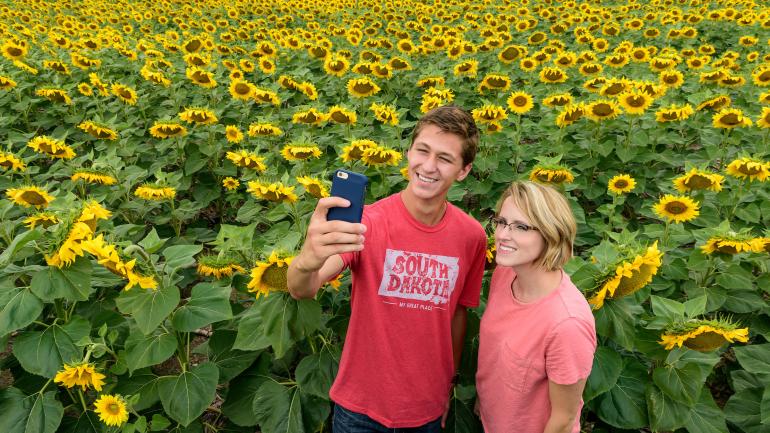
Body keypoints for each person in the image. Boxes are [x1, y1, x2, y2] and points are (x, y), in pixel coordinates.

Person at [287, 105, 487, 432]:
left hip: (426, 408)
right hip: (360, 408)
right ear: (409, 153)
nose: (429, 166)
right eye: (422, 151)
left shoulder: (471, 237)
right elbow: (301, 288)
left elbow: (457, 315)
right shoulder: (369, 223)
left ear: (463, 170)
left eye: (445, 158)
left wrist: (448, 385)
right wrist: (308, 259)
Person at [475, 181, 596, 433]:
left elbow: (562, 420)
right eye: (501, 222)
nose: (503, 235)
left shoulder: (567, 324)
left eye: (521, 227)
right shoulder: (506, 274)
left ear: (551, 234)